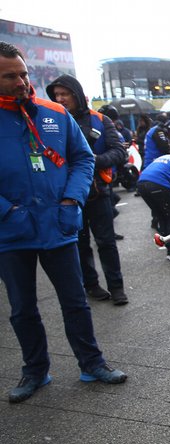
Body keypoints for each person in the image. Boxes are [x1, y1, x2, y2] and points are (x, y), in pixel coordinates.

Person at [0, 42, 127, 403]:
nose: (21, 82)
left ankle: (92, 363)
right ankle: (35, 371)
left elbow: (83, 159)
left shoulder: (53, 112)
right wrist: (7, 211)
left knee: (76, 302)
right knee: (22, 308)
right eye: (10, 76)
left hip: (58, 226)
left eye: (23, 73)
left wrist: (72, 200)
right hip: (10, 234)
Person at [46, 74, 129, 305]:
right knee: (79, 243)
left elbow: (119, 152)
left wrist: (94, 160)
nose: (60, 99)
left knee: (106, 243)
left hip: (98, 192)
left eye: (64, 94)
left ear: (76, 94)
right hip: (67, 196)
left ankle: (117, 287)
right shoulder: (50, 121)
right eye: (56, 95)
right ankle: (91, 285)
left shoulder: (100, 120)